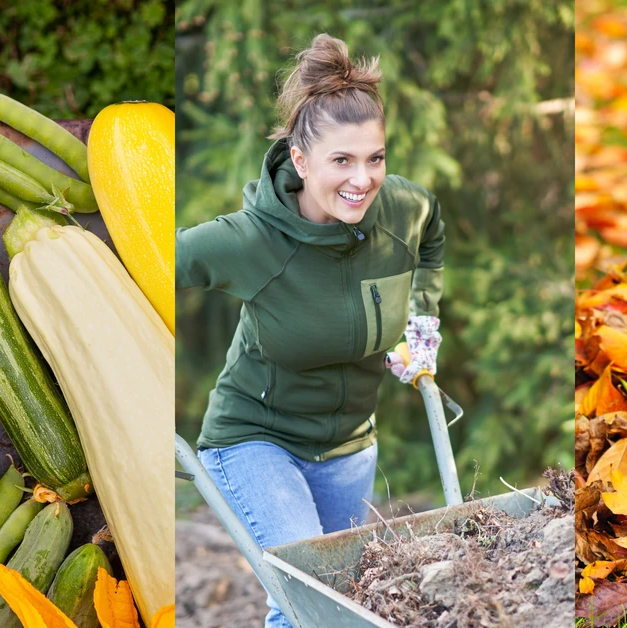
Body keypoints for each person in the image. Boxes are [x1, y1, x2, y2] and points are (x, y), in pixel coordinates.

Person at [175, 33, 445, 628]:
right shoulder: (249, 240)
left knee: (350, 599)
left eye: (374, 158)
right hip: (255, 440)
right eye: (341, 160)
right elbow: (152, 267)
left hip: (351, 446)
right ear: (301, 162)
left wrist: (419, 322)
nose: (364, 179)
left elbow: (431, 242)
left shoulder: (402, 209)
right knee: (305, 604)